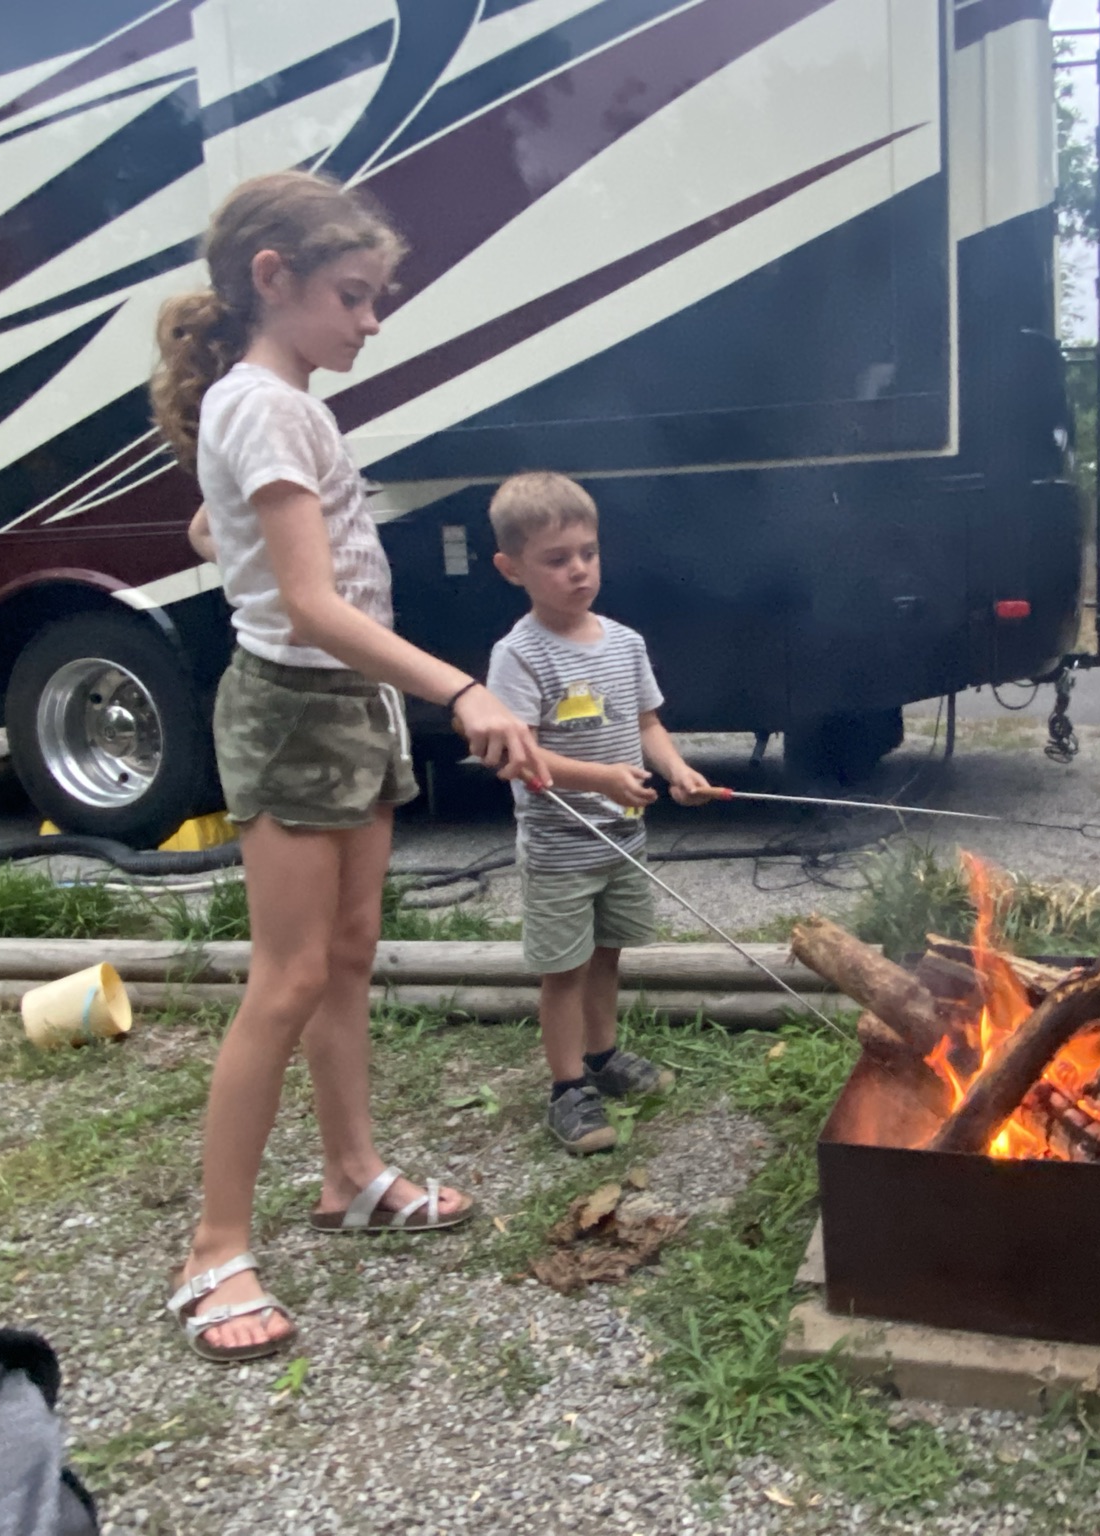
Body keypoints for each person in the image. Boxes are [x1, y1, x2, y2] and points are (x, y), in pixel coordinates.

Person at [148, 171, 549, 1363]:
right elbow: (313, 606)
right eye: (353, 295)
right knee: (286, 978)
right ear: (270, 278)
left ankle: (352, 1176)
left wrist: (232, 538)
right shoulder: (264, 403)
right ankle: (214, 1246)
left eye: (378, 298)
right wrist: (463, 688)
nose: (372, 320)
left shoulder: (273, 405)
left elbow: (219, 534)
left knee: (350, 953)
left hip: (345, 708)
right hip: (295, 709)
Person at [484, 472, 716, 1154]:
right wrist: (604, 779)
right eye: (556, 560)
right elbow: (521, 761)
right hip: (560, 849)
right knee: (565, 969)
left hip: (621, 840)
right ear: (511, 568)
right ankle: (567, 1089)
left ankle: (603, 1055)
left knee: (607, 954)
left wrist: (676, 770)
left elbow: (646, 723)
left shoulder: (625, 642)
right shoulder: (517, 655)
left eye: (587, 552)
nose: (578, 569)